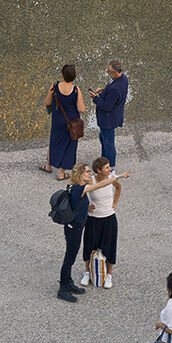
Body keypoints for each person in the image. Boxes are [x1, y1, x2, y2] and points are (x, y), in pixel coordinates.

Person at [57, 162, 130, 303]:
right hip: (74, 229)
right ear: (79, 175)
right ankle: (63, 288)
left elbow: (78, 205)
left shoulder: (76, 188)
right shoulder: (80, 188)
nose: (90, 174)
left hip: (76, 227)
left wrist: (87, 208)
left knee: (70, 257)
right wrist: (119, 176)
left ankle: (68, 282)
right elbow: (101, 185)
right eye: (86, 172)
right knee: (69, 259)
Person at [80, 157, 122, 289]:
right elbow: (78, 196)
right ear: (98, 170)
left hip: (109, 217)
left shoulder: (111, 178)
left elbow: (119, 188)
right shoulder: (91, 180)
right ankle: (87, 272)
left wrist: (115, 203)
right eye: (107, 168)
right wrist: (86, 208)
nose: (110, 170)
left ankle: (108, 275)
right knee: (89, 245)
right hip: (93, 219)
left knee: (109, 245)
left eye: (109, 167)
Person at [44, 63, 85, 181]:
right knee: (69, 146)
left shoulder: (54, 86)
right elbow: (81, 109)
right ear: (74, 77)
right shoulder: (76, 90)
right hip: (71, 122)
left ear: (62, 75)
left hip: (57, 120)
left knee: (54, 141)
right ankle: (61, 173)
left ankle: (48, 166)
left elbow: (47, 102)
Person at [89, 61, 129, 168]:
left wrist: (96, 98)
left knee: (108, 144)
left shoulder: (115, 88)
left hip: (108, 120)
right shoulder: (123, 78)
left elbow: (107, 106)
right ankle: (104, 161)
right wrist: (103, 92)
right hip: (114, 116)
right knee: (104, 139)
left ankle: (109, 166)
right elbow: (114, 99)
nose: (107, 73)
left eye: (109, 71)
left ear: (114, 72)